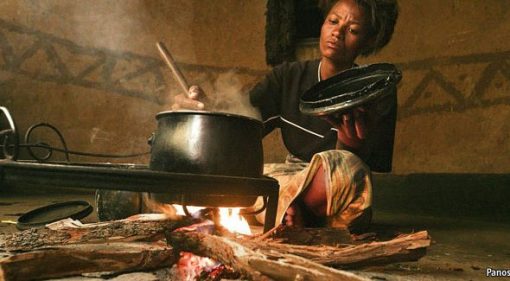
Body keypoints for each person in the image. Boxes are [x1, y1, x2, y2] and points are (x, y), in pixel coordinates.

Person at [172, 0, 398, 233]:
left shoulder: (376, 91)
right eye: (333, 21)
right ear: (322, 23)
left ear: (368, 41)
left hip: (333, 186)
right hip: (289, 177)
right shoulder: (288, 77)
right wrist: (203, 110)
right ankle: (295, 210)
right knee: (241, 173)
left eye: (353, 30)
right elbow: (239, 124)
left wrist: (350, 146)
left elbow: (364, 167)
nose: (337, 33)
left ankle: (287, 209)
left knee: (350, 169)